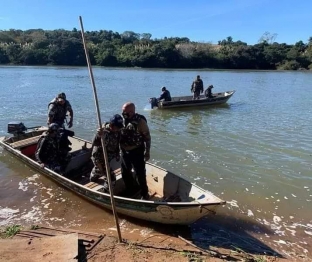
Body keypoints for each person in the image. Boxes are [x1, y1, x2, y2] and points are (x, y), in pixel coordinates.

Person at [120, 102, 151, 200]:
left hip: (137, 151)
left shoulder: (140, 121)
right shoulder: (122, 120)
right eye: (123, 111)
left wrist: (147, 152)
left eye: (125, 112)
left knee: (140, 173)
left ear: (132, 111)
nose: (123, 113)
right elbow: (111, 125)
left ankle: (144, 193)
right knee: (125, 172)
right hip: (124, 151)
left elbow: (147, 137)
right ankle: (131, 189)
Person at [90, 114, 124, 192]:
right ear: (112, 125)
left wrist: (117, 153)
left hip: (109, 155)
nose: (118, 129)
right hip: (99, 157)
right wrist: (98, 135)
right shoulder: (103, 131)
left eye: (119, 127)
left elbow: (117, 142)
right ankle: (106, 193)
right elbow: (94, 142)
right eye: (117, 127)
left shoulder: (118, 131)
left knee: (99, 171)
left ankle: (94, 174)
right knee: (111, 178)